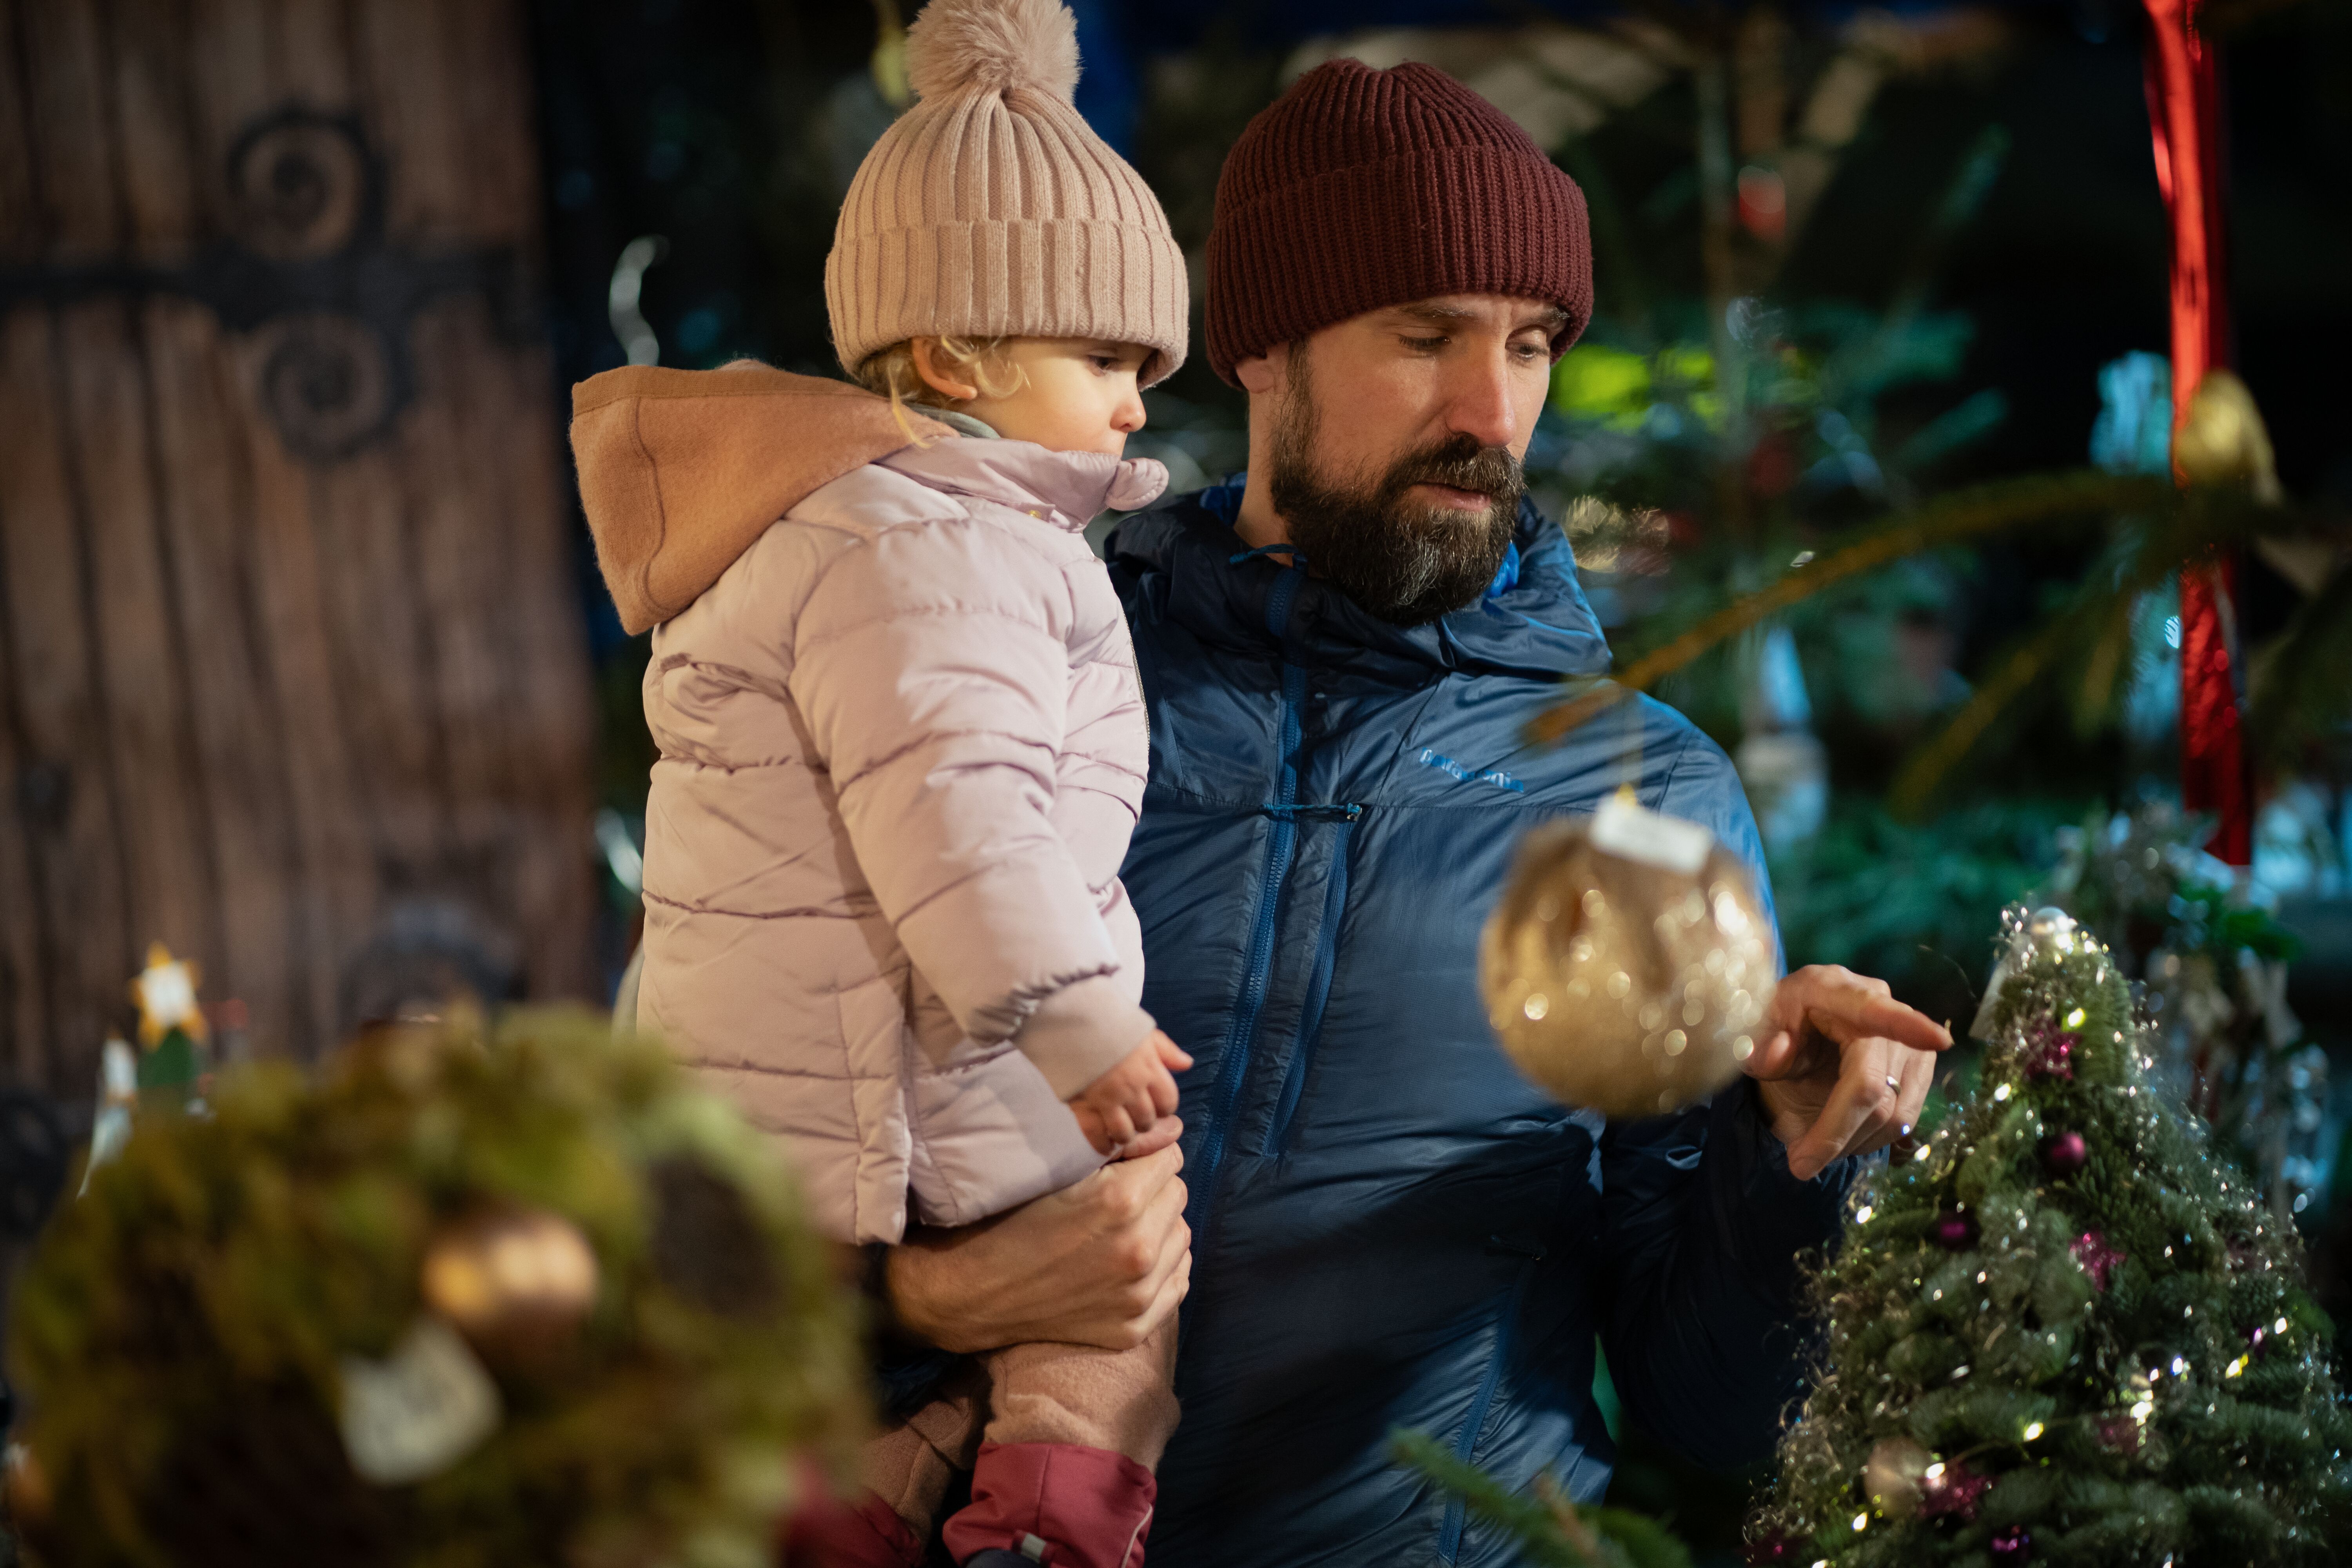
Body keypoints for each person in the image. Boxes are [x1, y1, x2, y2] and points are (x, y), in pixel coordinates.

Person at [877, 57, 1955, 1564]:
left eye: (1532, 344)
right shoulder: (1019, 692)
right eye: (1426, 335)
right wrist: (922, 1300)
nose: (1491, 411)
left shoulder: (1644, 799)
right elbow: (733, 1163)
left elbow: (1722, 1418)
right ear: (1263, 349)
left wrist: (1785, 1172)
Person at [570, 2, 1200, 1563]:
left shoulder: (864, 528)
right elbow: (959, 811)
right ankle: (1050, 1529)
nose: (1136, 402)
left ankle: (872, 1506)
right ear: (952, 355)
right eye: (1103, 357)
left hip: (798, 1123)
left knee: (872, 1396)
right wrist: (1081, 1023)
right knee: (1123, 1282)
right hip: (905, 1099)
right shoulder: (940, 549)